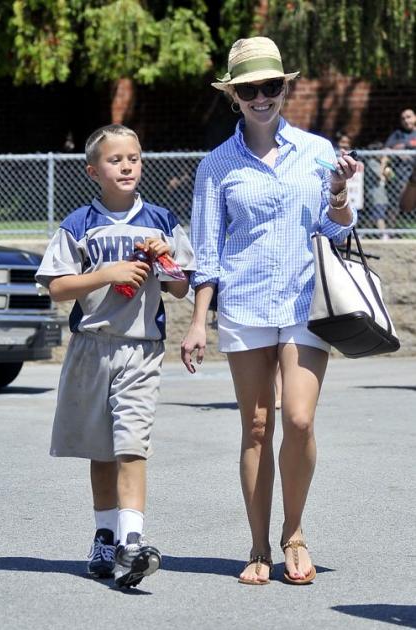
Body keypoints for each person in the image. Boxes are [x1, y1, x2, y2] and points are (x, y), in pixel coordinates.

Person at [181, 36, 359, 586]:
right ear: (234, 96)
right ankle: (258, 544)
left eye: (271, 86)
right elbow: (208, 250)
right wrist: (196, 321)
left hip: (307, 300)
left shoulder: (318, 150)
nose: (262, 97)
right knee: (256, 427)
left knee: (299, 419)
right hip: (245, 301)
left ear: (285, 88)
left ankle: (294, 532)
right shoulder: (216, 165)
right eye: (249, 89)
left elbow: (340, 230)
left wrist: (336, 195)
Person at [36, 124, 196, 589]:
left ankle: (132, 542)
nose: (126, 165)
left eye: (134, 157)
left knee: (131, 443)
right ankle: (105, 536)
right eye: (115, 160)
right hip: (92, 348)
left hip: (141, 348)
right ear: (93, 170)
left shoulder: (163, 220)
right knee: (100, 449)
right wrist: (105, 273)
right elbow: (58, 285)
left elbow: (181, 286)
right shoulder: (78, 224)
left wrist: (166, 260)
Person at [384, 109, 416, 224]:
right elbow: (386, 150)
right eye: (403, 118)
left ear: (415, 117)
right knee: (395, 203)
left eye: (409, 117)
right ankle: (391, 231)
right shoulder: (397, 134)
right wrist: (397, 152)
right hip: (399, 175)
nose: (406, 120)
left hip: (414, 173)